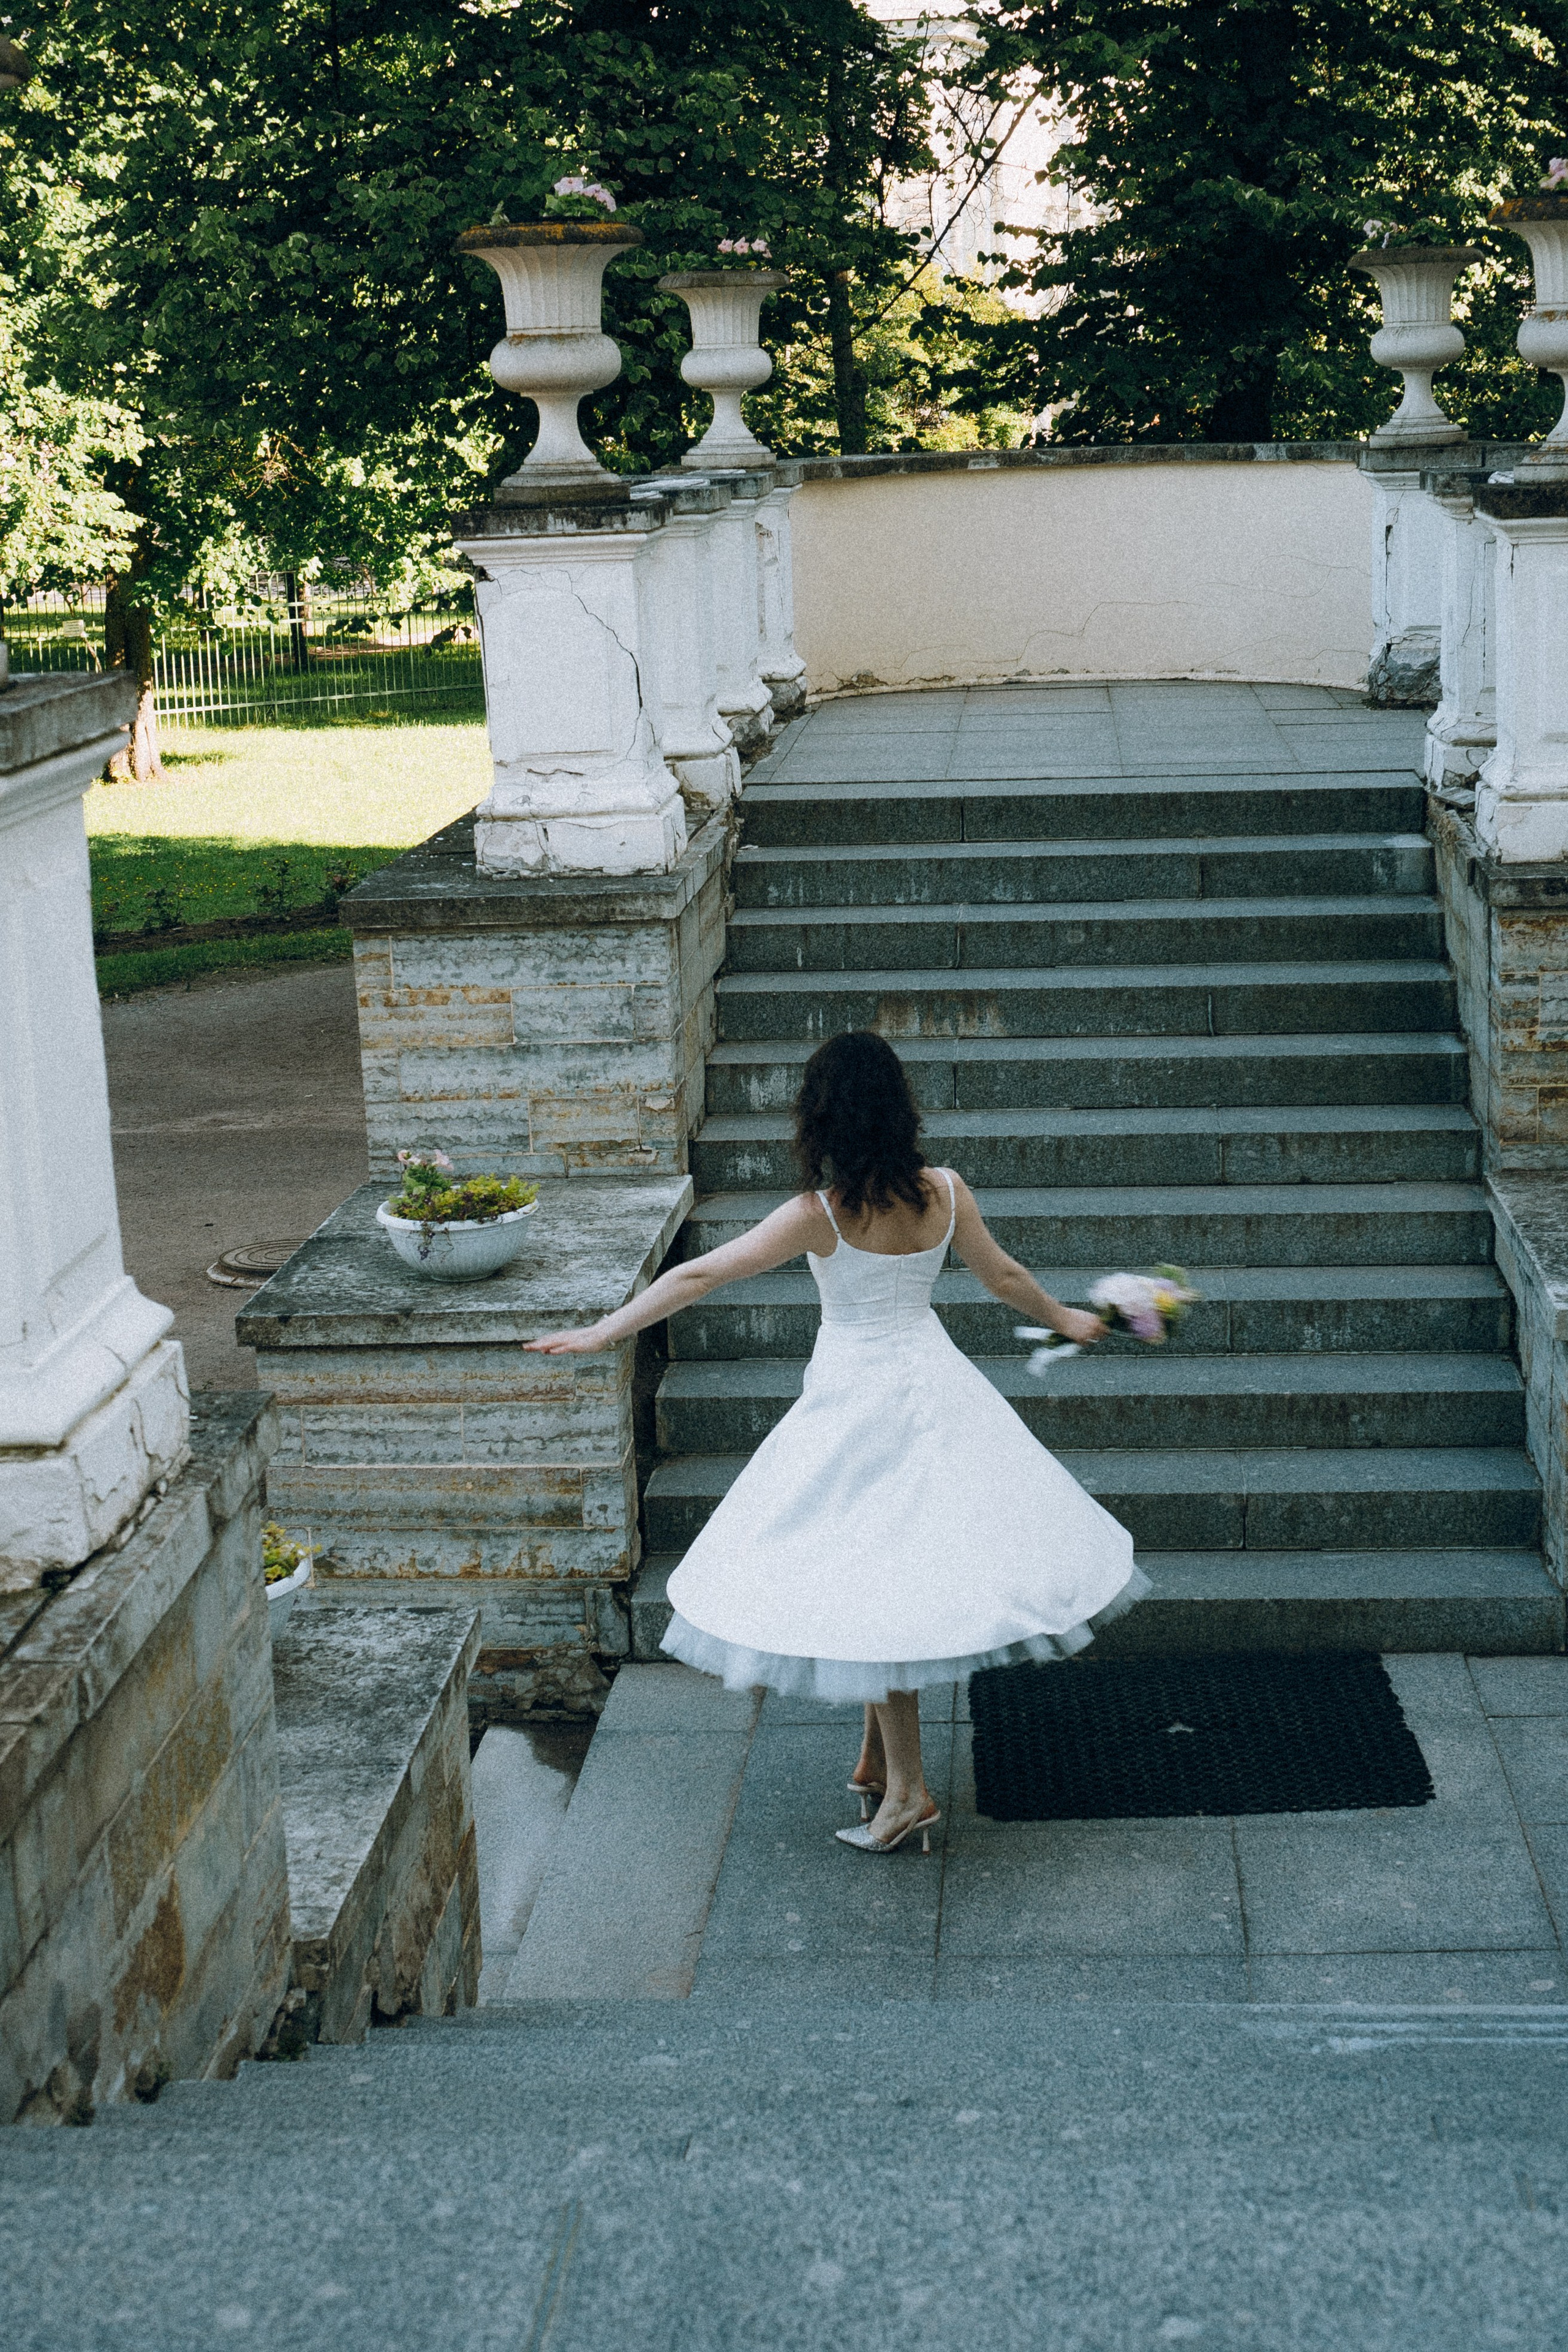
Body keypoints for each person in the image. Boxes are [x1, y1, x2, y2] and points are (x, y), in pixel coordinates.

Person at [525, 1030, 1147, 1855]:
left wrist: (607, 1330)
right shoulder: (945, 1194)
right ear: (897, 1109)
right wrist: (1068, 1318)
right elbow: (1003, 1278)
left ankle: (911, 1795)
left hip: (857, 1401)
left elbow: (701, 1275)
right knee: (886, 1573)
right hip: (932, 1389)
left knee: (874, 1582)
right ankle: (877, 1760)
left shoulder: (820, 1216)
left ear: (821, 1117)